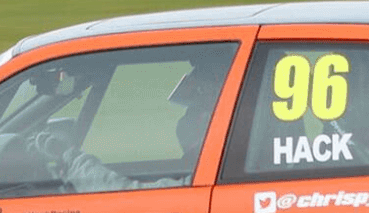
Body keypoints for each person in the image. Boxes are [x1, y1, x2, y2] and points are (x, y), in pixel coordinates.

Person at [34, 57, 228, 193]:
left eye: (201, 98)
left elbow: (121, 196)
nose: (187, 117)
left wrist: (68, 156)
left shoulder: (208, 185)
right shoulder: (214, 170)